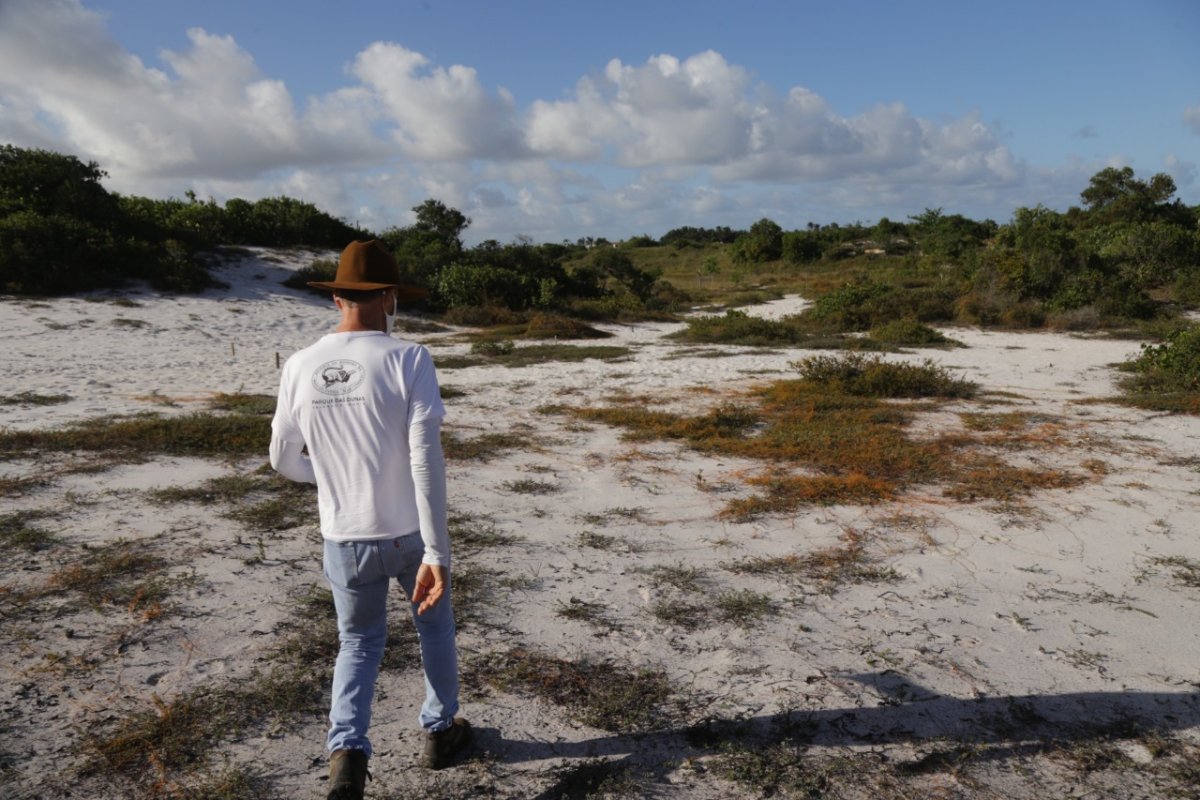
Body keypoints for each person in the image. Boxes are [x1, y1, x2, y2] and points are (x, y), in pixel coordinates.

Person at [269, 239, 471, 800]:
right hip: (409, 534)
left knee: (357, 643)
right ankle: (438, 730)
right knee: (434, 627)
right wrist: (438, 552)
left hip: (343, 537)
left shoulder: (300, 365)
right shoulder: (410, 358)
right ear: (389, 297)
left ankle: (348, 757)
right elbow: (423, 459)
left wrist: (330, 479)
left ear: (336, 297)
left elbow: (282, 459)